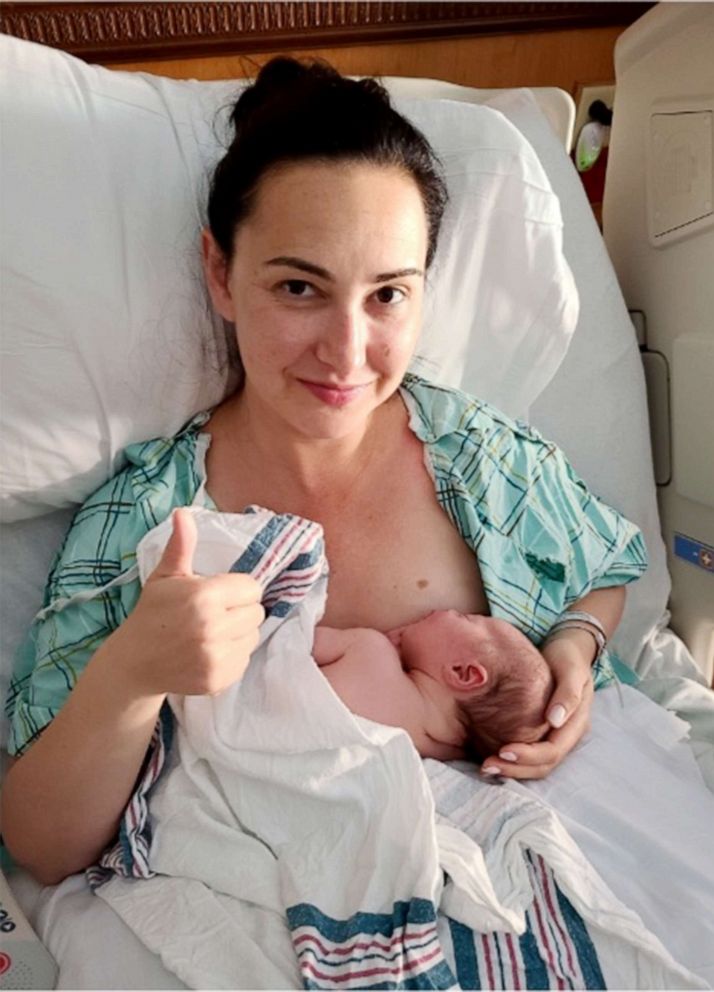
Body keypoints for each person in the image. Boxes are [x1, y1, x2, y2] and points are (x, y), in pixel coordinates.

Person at [1, 57, 646, 886]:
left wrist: (573, 647)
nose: (346, 353)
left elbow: (606, 566)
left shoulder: (473, 453)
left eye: (388, 295)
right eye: (301, 287)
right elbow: (42, 844)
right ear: (221, 273)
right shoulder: (152, 517)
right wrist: (129, 675)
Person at [314, 610, 553, 762]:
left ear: (463, 673)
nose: (451, 609)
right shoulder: (437, 751)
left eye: (465, 618)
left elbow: (287, 638)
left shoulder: (370, 649)